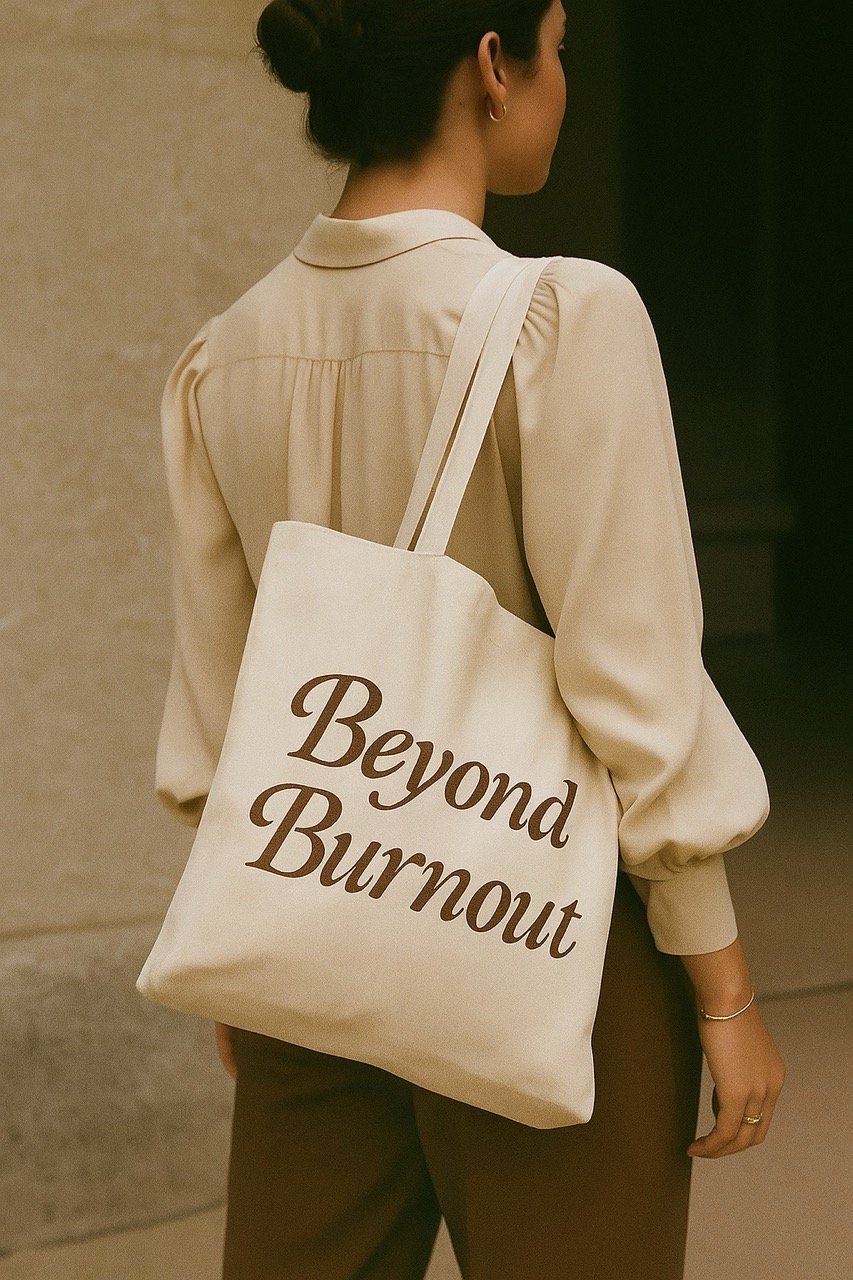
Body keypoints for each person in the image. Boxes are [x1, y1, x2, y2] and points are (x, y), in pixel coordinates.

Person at [153, 2, 786, 1276]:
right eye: (560, 47)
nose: (563, 81)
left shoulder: (224, 354)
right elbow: (633, 682)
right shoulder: (563, 316)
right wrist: (722, 988)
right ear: (492, 69)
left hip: (311, 913)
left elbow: (225, 697)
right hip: (546, 930)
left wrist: (244, 945)